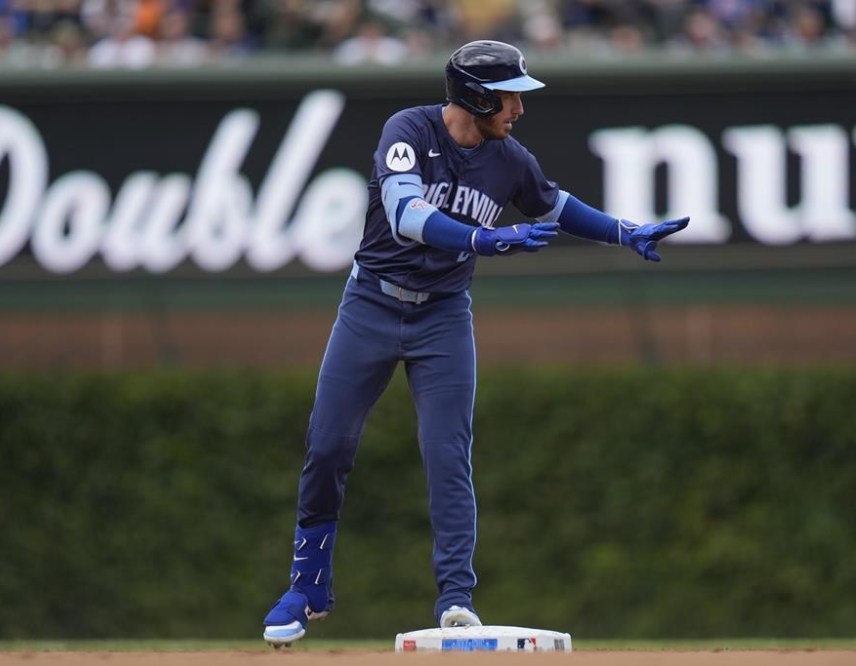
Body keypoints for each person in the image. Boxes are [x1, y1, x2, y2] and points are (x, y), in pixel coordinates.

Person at [261, 39, 689, 647]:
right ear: (478, 96)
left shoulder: (508, 156)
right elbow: (406, 212)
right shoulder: (408, 128)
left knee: (447, 454)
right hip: (372, 305)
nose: (519, 108)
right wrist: (483, 241)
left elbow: (557, 205)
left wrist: (625, 232)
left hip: (442, 317)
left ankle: (456, 600)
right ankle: (307, 584)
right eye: (511, 96)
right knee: (328, 443)